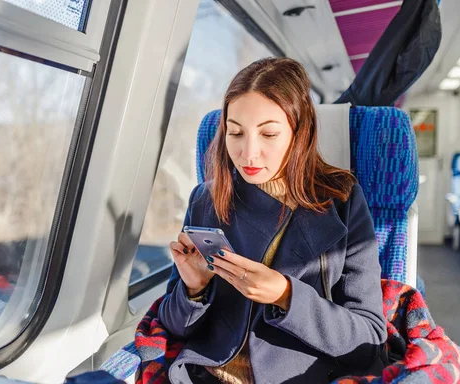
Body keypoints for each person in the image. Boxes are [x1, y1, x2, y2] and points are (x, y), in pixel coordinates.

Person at [158, 57, 387, 384]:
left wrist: (286, 296)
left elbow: (369, 342)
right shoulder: (205, 200)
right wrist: (194, 289)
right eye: (235, 133)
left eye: (268, 134)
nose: (248, 154)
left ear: (299, 132)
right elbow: (172, 326)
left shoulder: (342, 202)